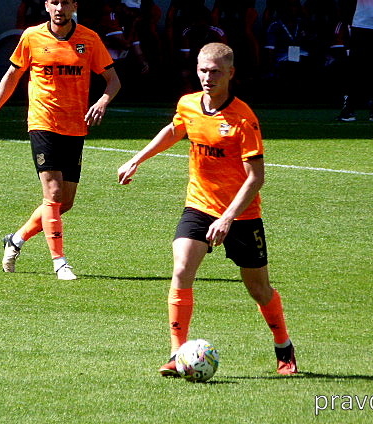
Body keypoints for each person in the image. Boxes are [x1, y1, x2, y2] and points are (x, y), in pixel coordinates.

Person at [117, 42, 298, 377]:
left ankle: (283, 347)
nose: (207, 77)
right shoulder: (188, 104)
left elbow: (256, 177)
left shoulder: (243, 118)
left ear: (230, 73)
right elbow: (175, 130)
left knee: (258, 289)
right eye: (203, 70)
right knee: (182, 268)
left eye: (215, 71)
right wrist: (137, 159)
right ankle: (177, 354)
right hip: (199, 205)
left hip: (241, 214)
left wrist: (228, 218)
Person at [0, 0, 121, 280]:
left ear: (74, 6)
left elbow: (113, 80)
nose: (59, 8)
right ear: (46, 5)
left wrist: (103, 101)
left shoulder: (89, 39)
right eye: (54, 2)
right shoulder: (32, 37)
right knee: (53, 194)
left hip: (75, 126)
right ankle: (60, 263)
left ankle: (15, 240)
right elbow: (12, 76)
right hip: (43, 123)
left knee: (64, 202)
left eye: (65, 2)